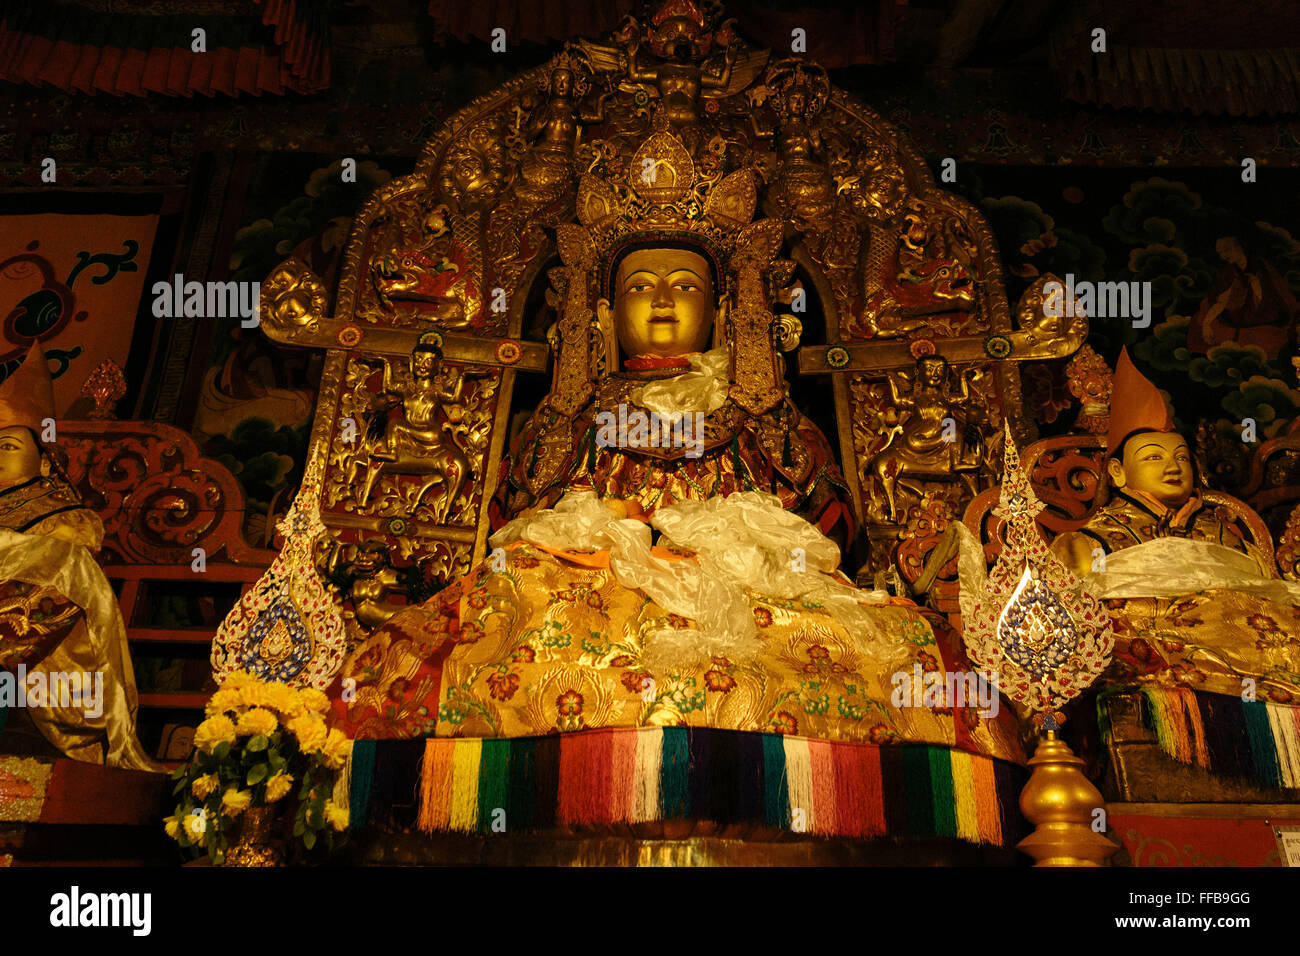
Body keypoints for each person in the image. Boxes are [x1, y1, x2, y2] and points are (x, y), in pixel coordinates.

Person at [327, 132, 1021, 764]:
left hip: (748, 592)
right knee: (491, 625)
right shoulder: (578, 416)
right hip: (592, 583)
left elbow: (840, 535)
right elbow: (510, 522)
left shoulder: (756, 414)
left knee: (892, 649)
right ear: (602, 313)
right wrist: (600, 523)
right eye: (640, 287)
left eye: (685, 285)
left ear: (724, 310)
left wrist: (756, 483)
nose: (662, 300)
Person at [0, 344, 161, 770]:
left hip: (41, 677)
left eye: (8, 446)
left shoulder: (66, 521)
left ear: (47, 463)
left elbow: (57, 581)